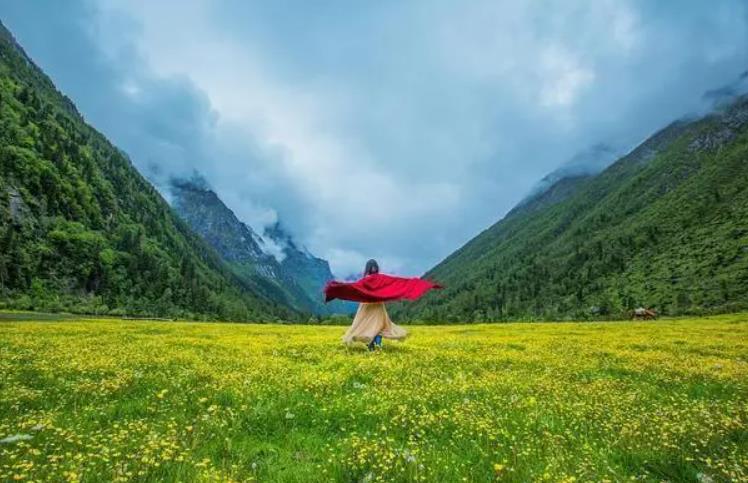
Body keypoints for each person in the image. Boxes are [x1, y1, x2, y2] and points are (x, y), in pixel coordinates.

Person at [341, 259, 408, 350]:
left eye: (375, 266)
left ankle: (377, 345)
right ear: (369, 268)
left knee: (379, 325)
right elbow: (359, 290)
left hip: (377, 305)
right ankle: (371, 345)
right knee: (368, 325)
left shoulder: (378, 279)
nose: (373, 268)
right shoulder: (366, 279)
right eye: (372, 266)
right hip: (368, 305)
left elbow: (385, 289)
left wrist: (394, 295)